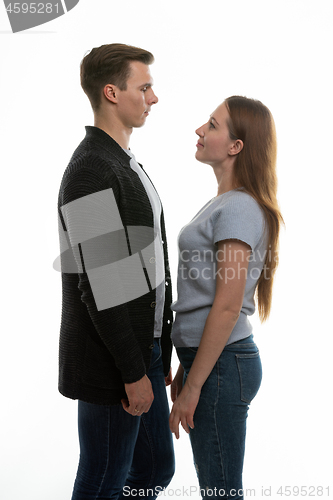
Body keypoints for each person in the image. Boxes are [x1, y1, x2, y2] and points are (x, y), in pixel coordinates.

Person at [57, 43, 174, 499]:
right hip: (111, 361)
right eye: (144, 87)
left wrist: (158, 348)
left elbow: (145, 267)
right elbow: (102, 285)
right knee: (104, 477)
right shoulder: (90, 168)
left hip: (140, 351)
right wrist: (131, 371)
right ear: (111, 92)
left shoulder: (124, 162)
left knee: (153, 471)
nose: (153, 97)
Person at [169, 96, 283, 500]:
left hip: (223, 367)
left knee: (220, 493)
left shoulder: (237, 209)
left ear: (236, 146)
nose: (200, 130)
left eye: (212, 125)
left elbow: (227, 304)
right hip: (216, 361)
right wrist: (191, 366)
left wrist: (195, 384)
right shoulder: (225, 203)